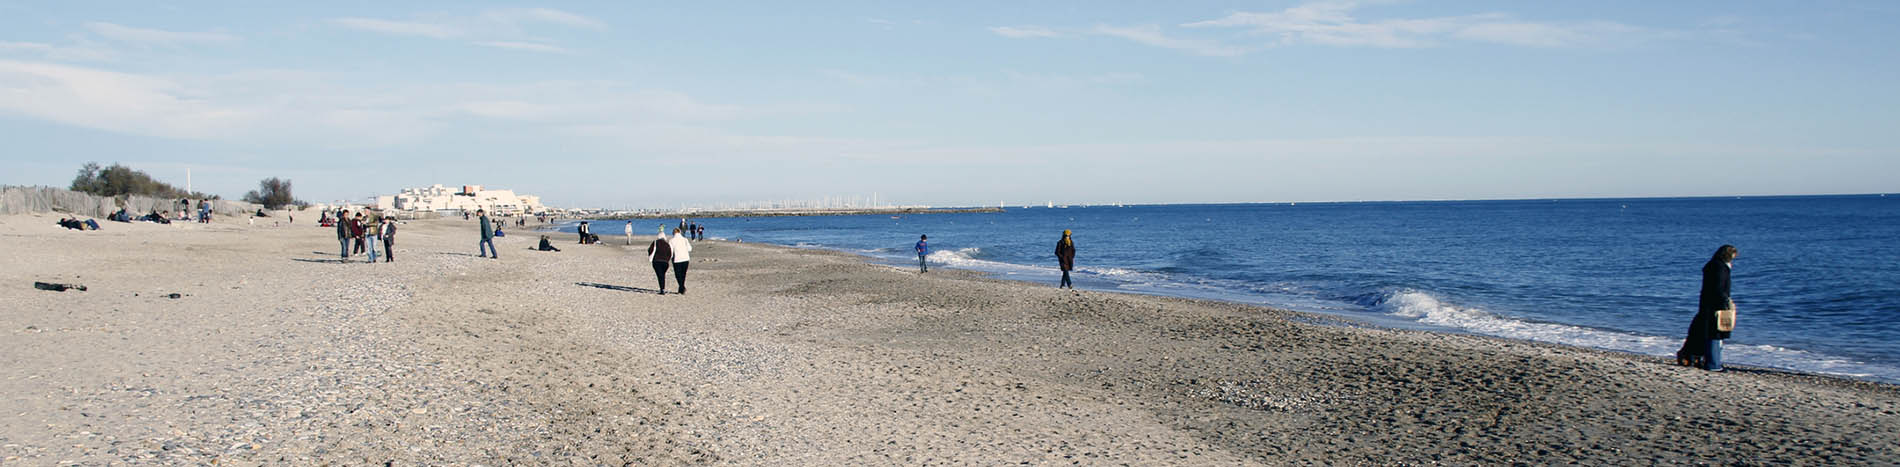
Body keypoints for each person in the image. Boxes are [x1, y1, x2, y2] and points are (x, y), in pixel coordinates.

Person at [1677, 245, 1738, 371]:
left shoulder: (1712, 265)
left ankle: (1702, 360)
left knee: (1703, 333)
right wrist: (1726, 302)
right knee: (1715, 334)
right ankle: (1713, 364)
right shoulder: (1720, 267)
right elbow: (1719, 288)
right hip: (1715, 306)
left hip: (1706, 305)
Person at [647, 227, 674, 294]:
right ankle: (662, 288)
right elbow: (670, 253)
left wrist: (651, 257)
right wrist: (667, 260)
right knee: (662, 275)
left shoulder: (655, 242)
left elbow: (650, 250)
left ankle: (662, 289)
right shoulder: (667, 244)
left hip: (656, 261)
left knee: (660, 275)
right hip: (665, 262)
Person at [669, 227, 694, 294]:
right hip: (686, 258)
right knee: (683, 274)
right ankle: (681, 288)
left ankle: (682, 287)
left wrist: (670, 258)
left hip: (677, 259)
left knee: (678, 275)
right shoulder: (685, 239)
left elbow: (671, 251)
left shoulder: (671, 240)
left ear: (673, 233)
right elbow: (689, 249)